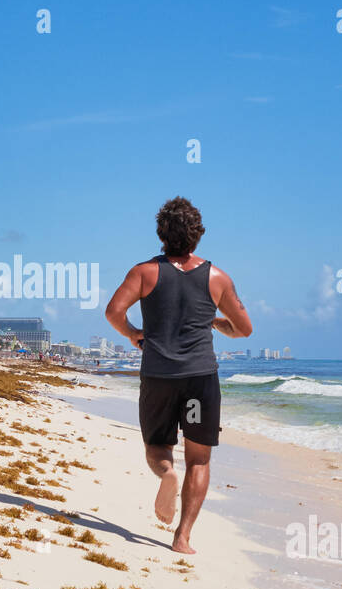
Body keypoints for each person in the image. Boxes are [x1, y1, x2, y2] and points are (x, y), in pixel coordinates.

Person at [104, 197, 252, 554]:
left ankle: (166, 474)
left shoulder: (143, 272)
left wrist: (133, 334)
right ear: (198, 236)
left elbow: (113, 312)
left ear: (161, 233)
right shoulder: (217, 278)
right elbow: (243, 329)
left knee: (158, 446)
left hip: (158, 375)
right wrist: (214, 321)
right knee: (199, 458)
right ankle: (182, 537)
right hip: (200, 379)